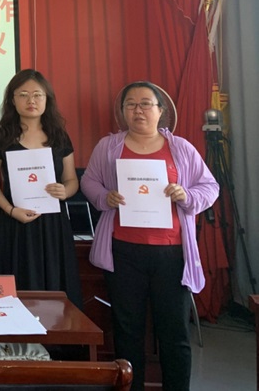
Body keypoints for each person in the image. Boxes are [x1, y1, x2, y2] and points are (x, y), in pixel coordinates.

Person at [81, 81, 219, 391]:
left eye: (146, 103)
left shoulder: (181, 148)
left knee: (174, 332)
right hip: (123, 251)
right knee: (127, 330)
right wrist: (105, 197)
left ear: (161, 110)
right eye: (130, 104)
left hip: (171, 254)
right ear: (123, 111)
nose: (138, 110)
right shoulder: (109, 147)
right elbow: (89, 182)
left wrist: (186, 195)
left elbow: (210, 187)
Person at [0, 69, 82, 306]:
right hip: (15, 222)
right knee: (16, 289)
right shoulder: (1, 136)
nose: (31, 100)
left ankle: (55, 331)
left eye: (38, 95)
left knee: (55, 289)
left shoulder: (59, 136)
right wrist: (10, 210)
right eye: (23, 94)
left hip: (52, 225)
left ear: (47, 99)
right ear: (12, 100)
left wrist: (65, 191)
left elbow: (71, 180)